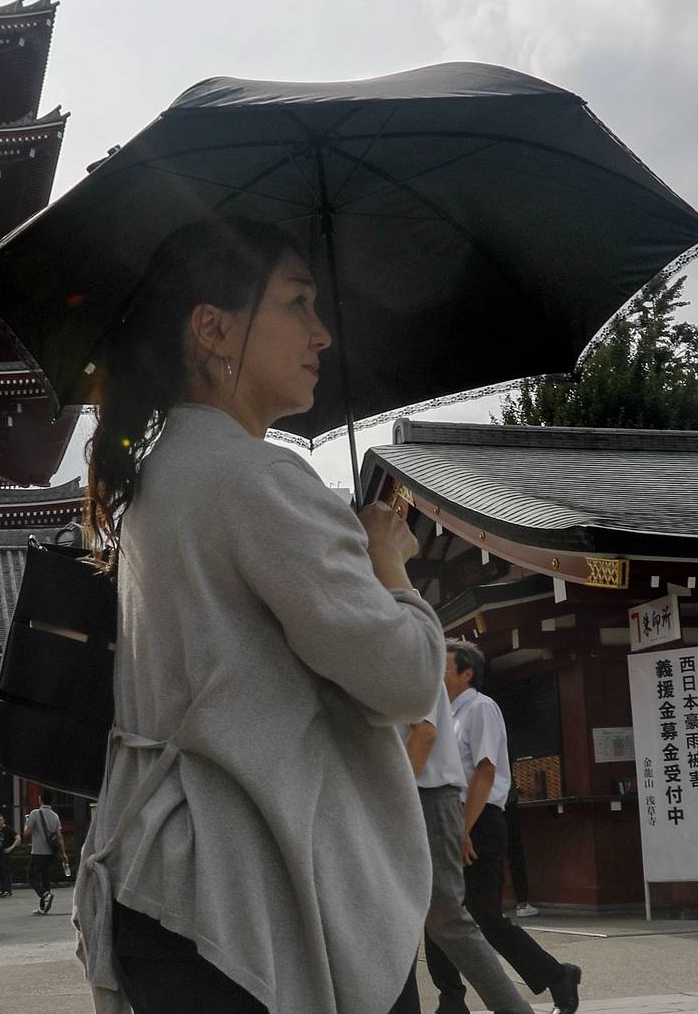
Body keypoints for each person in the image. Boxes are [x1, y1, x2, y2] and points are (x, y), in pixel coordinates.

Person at [69, 217, 446, 1014]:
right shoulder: (257, 479)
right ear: (212, 329)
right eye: (297, 304)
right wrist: (389, 567)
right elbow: (407, 681)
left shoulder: (157, 481)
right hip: (250, 902)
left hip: (160, 879)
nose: (321, 334)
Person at [425, 641, 581, 1014]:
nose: (436, 674)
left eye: (444, 668)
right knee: (438, 911)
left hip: (478, 820)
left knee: (484, 917)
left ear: (467, 674)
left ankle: (558, 974)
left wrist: (464, 830)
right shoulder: (444, 713)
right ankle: (450, 999)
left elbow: (486, 771)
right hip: (450, 817)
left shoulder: (480, 708)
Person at [390, 684, 533, 1014]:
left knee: (447, 918)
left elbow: (424, 734)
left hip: (424, 796)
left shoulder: (411, 644)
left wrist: (391, 798)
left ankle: (515, 1007)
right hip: (409, 795)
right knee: (398, 919)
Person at [24, 802, 65, 915]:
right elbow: (59, 836)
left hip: (38, 852)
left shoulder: (35, 813)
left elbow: (27, 832)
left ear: (40, 799)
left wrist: (26, 823)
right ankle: (43, 907)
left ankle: (45, 895)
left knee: (31, 876)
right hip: (51, 853)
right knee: (45, 877)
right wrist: (63, 853)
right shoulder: (55, 816)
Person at [0, 814, 17, 898]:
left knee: (6, 871)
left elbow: (18, 838)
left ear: (3, 820)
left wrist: (11, 847)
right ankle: (2, 889)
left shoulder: (8, 829)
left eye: (0, 820)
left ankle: (8, 890)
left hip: (5, 853)